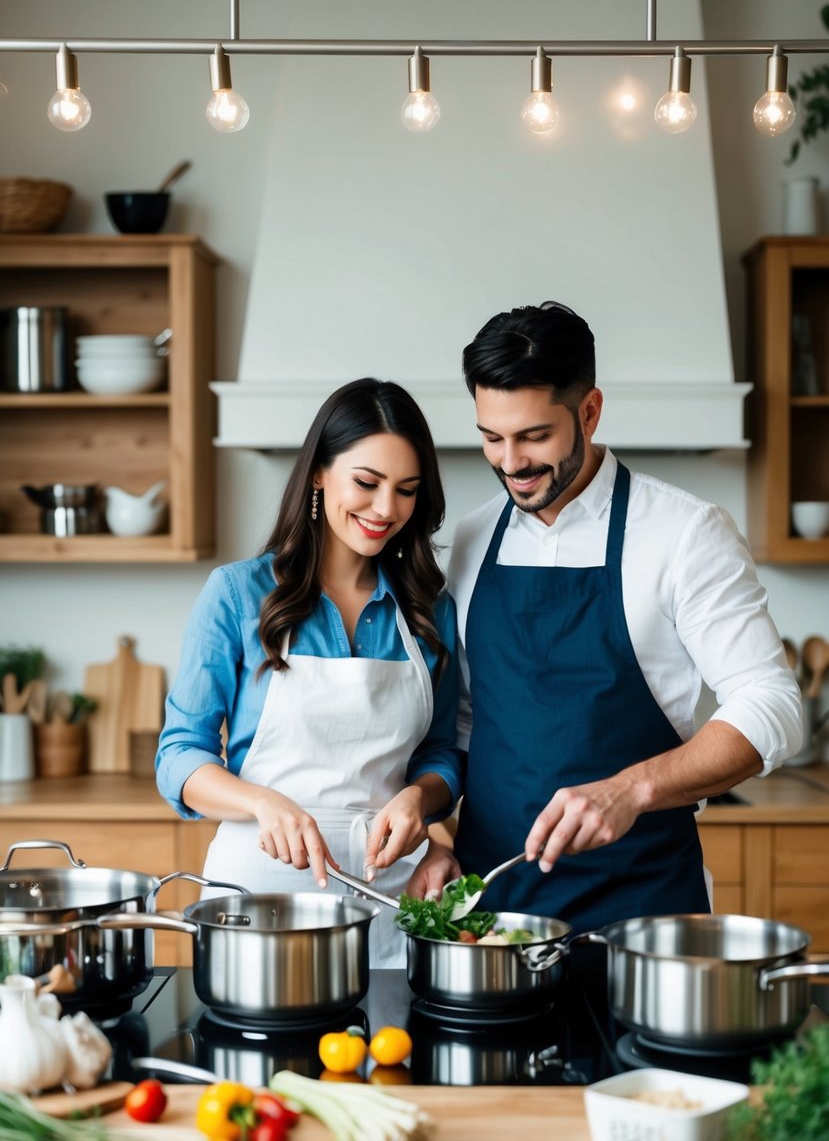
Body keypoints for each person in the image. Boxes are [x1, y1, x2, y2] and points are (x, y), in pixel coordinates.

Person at [412, 301, 802, 933]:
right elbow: (466, 722)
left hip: (641, 911)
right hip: (491, 916)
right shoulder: (474, 534)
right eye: (491, 437)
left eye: (534, 435)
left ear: (589, 411)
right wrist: (438, 838)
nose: (511, 462)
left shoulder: (684, 532)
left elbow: (774, 704)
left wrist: (632, 789)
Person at [156, 377, 461, 967]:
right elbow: (179, 757)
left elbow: (443, 753)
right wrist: (262, 803)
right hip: (260, 895)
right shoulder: (239, 594)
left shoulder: (429, 608)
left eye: (406, 491)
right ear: (319, 473)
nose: (385, 510)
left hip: (390, 898)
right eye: (367, 484)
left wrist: (419, 801)